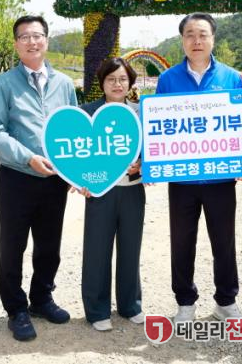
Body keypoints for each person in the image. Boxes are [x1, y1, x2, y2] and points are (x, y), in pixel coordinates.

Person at [0, 15, 77, 342]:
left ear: (46, 40)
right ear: (16, 44)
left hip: (54, 180)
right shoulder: (2, 84)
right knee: (13, 246)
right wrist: (27, 157)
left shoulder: (64, 84)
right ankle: (16, 310)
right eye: (25, 37)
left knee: (49, 244)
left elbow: (73, 128)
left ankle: (41, 299)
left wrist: (74, 171)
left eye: (37, 35)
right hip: (16, 178)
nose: (32, 42)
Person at [155, 12, 242, 322]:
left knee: (224, 242)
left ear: (213, 39)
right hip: (182, 180)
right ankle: (185, 302)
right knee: (182, 242)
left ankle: (226, 300)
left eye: (202, 34)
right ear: (182, 40)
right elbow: (158, 127)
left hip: (220, 179)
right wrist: (150, 162)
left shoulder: (231, 78)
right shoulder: (167, 80)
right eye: (190, 34)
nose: (196, 40)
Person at [79, 57, 145, 332]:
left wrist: (143, 165)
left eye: (122, 79)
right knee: (97, 251)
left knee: (131, 249)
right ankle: (97, 310)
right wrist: (80, 180)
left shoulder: (141, 113)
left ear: (130, 83)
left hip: (133, 192)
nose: (117, 84)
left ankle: (131, 305)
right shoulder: (87, 113)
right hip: (100, 194)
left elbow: (154, 149)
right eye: (111, 79)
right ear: (102, 82)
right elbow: (75, 153)